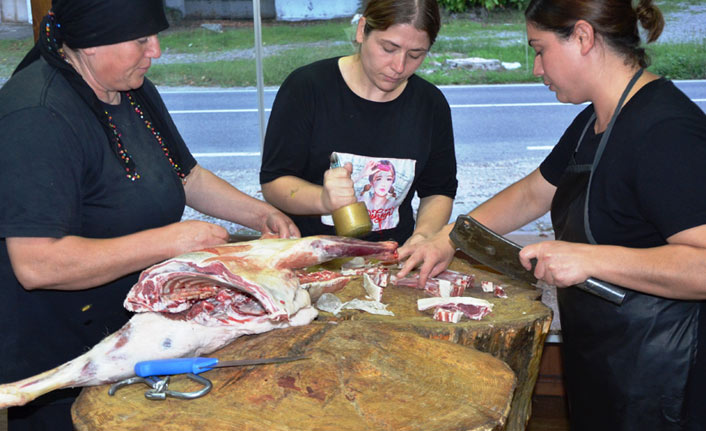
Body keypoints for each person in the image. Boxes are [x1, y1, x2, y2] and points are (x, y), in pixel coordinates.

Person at [398, 0, 706, 429]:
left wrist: (588, 258)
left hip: (661, 377)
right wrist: (449, 237)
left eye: (539, 50)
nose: (536, 69)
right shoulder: (593, 121)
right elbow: (531, 194)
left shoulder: (665, 130)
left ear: (582, 37)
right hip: (604, 357)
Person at [0, 1, 299, 429]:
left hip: (132, 332)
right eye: (141, 40)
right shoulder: (37, 115)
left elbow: (186, 175)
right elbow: (37, 264)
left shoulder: (131, 90)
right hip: (61, 356)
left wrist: (261, 215)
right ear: (89, 43)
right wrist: (173, 241)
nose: (155, 51)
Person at [259, 0, 458, 246]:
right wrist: (323, 199)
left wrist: (423, 236)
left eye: (415, 55)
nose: (399, 66)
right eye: (388, 48)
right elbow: (274, 182)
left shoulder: (431, 105)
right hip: (310, 257)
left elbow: (438, 190)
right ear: (362, 30)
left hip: (389, 258)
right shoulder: (308, 88)